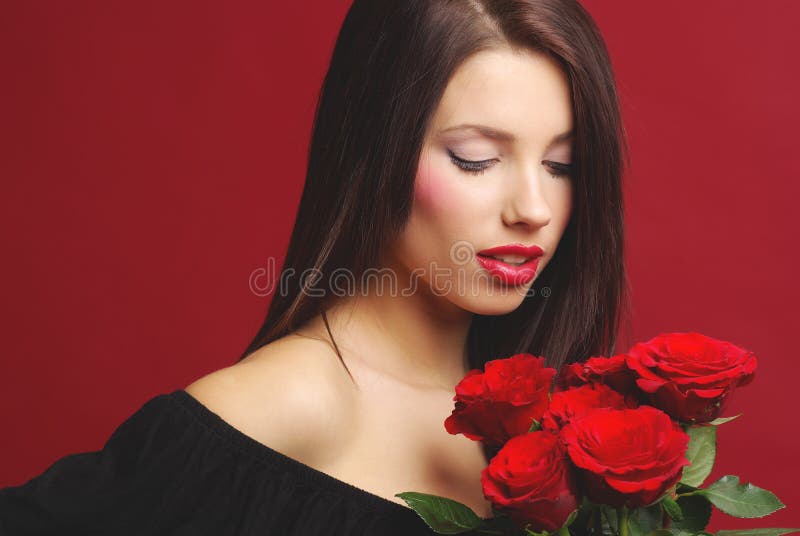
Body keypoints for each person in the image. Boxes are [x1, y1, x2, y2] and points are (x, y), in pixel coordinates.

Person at [0, 0, 629, 534]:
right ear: (373, 152)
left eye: (561, 165)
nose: (534, 209)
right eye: (475, 159)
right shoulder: (288, 402)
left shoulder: (539, 421)